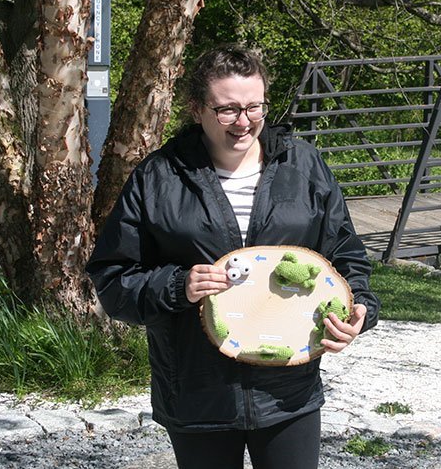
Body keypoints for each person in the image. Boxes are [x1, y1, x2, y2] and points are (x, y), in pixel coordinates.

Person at [86, 44, 380, 469]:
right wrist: (176, 286)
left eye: (254, 107)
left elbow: (347, 257)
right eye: (227, 110)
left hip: (288, 392)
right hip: (195, 391)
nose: (244, 123)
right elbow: (113, 278)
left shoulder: (304, 167)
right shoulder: (158, 177)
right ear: (196, 108)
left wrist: (360, 310)